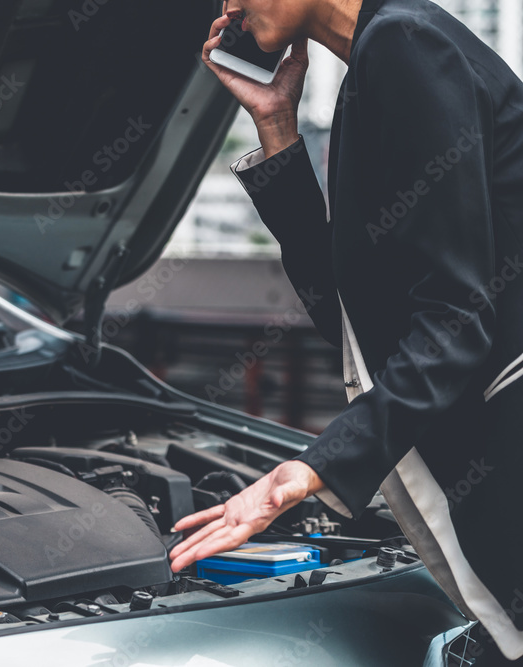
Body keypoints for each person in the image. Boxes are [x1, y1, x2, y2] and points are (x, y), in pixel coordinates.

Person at [167, 0, 523, 663]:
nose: (229, 8)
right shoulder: (376, 66)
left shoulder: (405, 44)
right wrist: (275, 124)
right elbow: (354, 322)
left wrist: (311, 467)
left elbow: (456, 321)